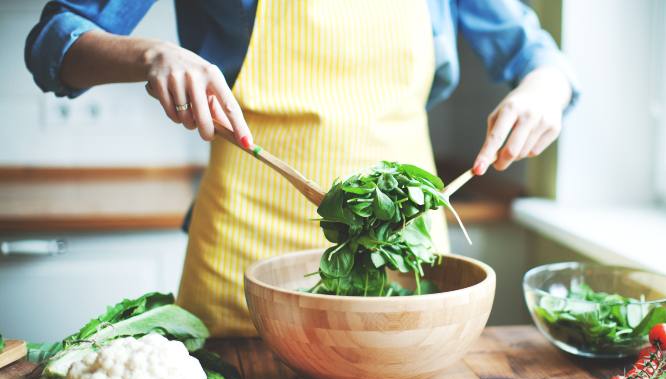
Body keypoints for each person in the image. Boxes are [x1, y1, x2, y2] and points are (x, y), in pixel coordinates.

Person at [26, 0, 578, 336]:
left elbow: (537, 55)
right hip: (241, 260)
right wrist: (153, 55)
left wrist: (545, 88)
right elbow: (53, 40)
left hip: (405, 250)